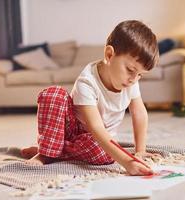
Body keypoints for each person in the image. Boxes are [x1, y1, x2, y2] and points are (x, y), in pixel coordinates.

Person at [21, 20, 159, 176]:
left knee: (105, 154)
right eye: (130, 70)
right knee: (53, 95)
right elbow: (96, 127)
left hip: (94, 141)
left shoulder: (131, 81)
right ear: (109, 55)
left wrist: (140, 151)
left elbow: (139, 113)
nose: (134, 79)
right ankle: (45, 154)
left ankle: (54, 149)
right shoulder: (87, 82)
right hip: (71, 128)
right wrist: (127, 162)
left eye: (140, 74)